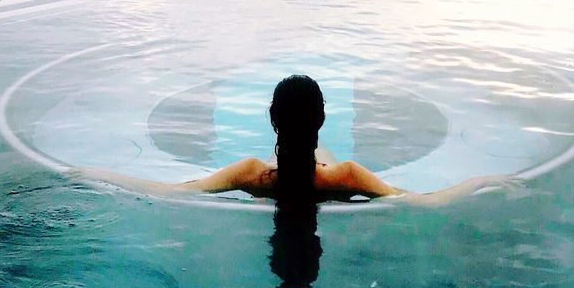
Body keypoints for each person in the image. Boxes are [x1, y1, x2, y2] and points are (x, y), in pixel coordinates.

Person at [68, 73, 519, 206]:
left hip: (280, 173)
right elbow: (423, 202)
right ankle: (303, 145)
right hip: (316, 174)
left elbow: (166, 191)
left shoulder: (250, 175)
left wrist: (89, 173)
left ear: (270, 119)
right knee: (319, 159)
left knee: (297, 158)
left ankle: (295, 144)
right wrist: (482, 179)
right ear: (322, 117)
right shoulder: (344, 178)